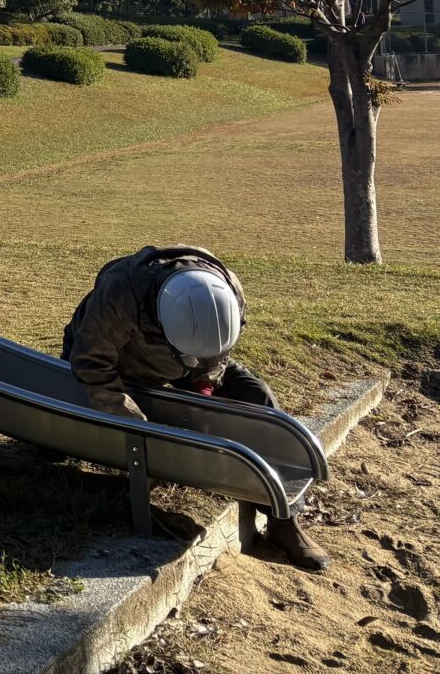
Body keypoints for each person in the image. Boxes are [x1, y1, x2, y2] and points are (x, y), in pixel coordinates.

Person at [62, 245, 330, 572]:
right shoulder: (121, 293)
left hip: (186, 364)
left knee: (256, 396)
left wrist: (202, 391)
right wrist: (144, 431)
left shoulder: (225, 290)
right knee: (67, 428)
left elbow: (217, 356)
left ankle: (283, 518)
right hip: (118, 362)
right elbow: (92, 365)